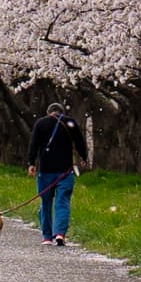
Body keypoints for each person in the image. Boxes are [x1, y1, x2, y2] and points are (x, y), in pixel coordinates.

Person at [26, 102, 88, 246]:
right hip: (65, 171)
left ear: (49, 112)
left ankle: (47, 236)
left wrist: (31, 163)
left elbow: (33, 144)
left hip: (45, 171)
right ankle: (60, 234)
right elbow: (80, 142)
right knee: (62, 202)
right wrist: (84, 158)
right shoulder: (70, 122)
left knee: (45, 203)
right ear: (61, 112)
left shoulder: (41, 123)